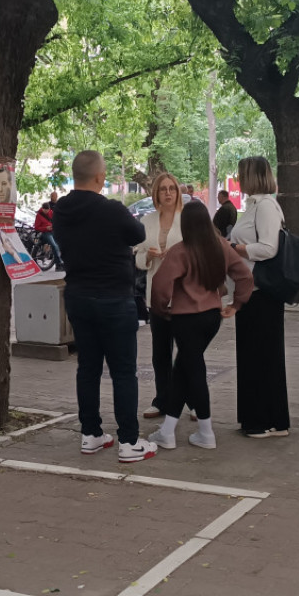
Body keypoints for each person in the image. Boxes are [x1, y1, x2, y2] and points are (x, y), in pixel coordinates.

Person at [52, 150, 157, 463]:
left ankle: (91, 434)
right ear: (99, 177)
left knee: (88, 368)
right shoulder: (111, 209)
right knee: (124, 371)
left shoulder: (61, 210)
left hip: (78, 297)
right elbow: (138, 233)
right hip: (114, 298)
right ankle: (128, 441)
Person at [147, 201, 252, 450]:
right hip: (212, 318)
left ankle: (205, 432)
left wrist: (162, 311)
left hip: (185, 319)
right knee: (183, 369)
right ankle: (168, 430)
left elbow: (161, 285)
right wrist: (236, 305)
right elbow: (245, 276)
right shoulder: (222, 247)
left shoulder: (180, 252)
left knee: (192, 372)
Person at [229, 156, 291, 439]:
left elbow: (269, 248)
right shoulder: (254, 205)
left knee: (261, 357)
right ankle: (263, 417)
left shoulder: (265, 206)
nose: (239, 180)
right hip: (251, 290)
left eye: (242, 175)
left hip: (262, 292)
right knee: (256, 356)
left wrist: (236, 249)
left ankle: (264, 419)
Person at [135, 173, 185, 421]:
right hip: (157, 294)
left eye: (172, 189)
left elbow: (197, 254)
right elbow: (137, 256)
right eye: (163, 189)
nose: (167, 193)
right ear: (156, 194)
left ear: (177, 192)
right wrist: (148, 257)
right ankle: (161, 399)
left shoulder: (186, 220)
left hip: (184, 294)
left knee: (187, 352)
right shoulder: (147, 221)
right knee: (160, 352)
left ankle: (193, 399)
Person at [32, 199, 63, 269]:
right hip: (45, 233)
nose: (46, 211)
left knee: (60, 244)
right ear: (42, 208)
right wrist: (46, 228)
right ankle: (59, 264)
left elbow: (55, 220)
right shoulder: (39, 215)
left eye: (47, 210)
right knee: (54, 246)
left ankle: (59, 263)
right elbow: (37, 227)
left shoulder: (51, 212)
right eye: (45, 210)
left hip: (53, 231)